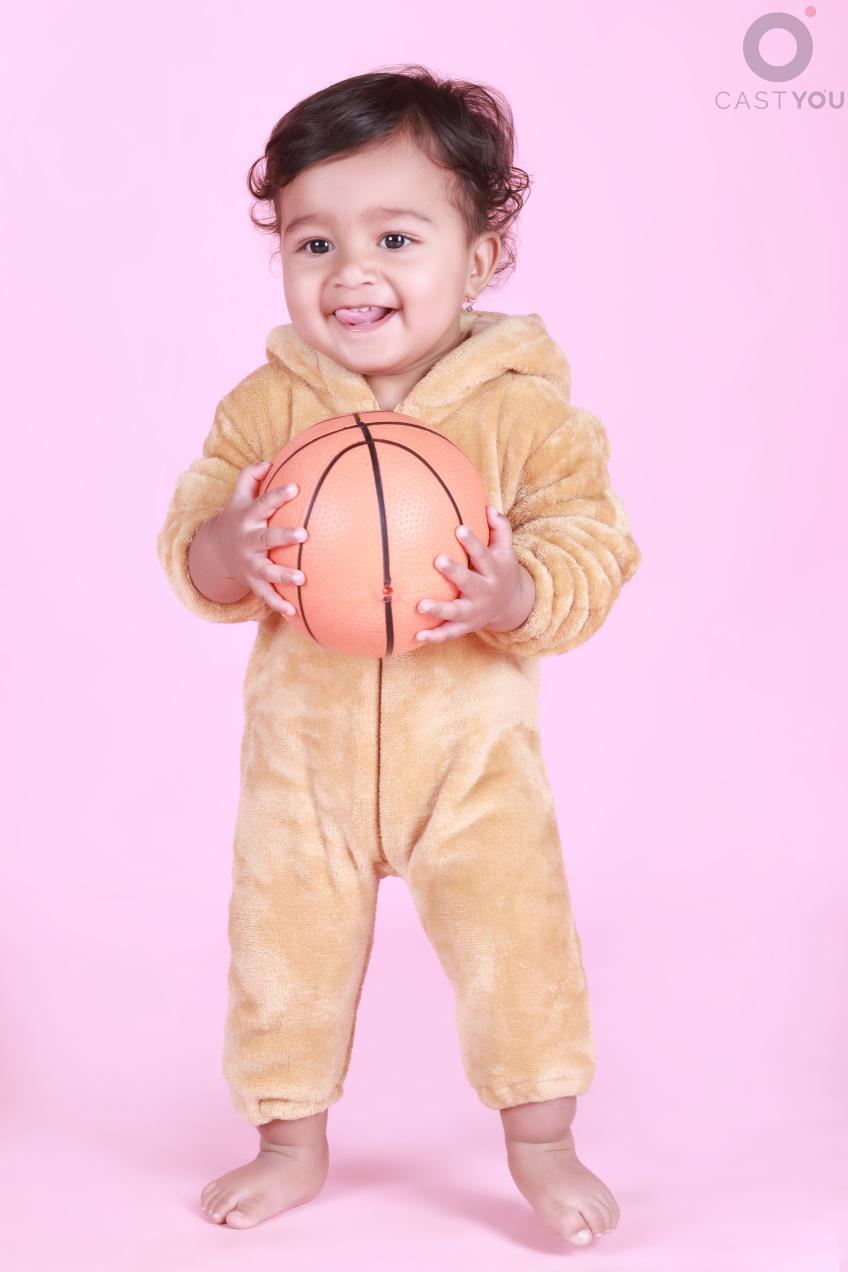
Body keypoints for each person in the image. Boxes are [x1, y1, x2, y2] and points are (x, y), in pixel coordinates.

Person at [156, 65, 641, 1243]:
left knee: (518, 949)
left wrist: (517, 589)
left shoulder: (524, 413)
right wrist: (224, 550)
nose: (350, 271)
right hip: (303, 765)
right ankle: (287, 1141)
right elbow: (192, 540)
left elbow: (595, 544)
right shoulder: (266, 409)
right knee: (280, 955)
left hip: (468, 764)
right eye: (313, 243)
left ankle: (542, 1143)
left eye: (394, 237)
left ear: (478, 259)